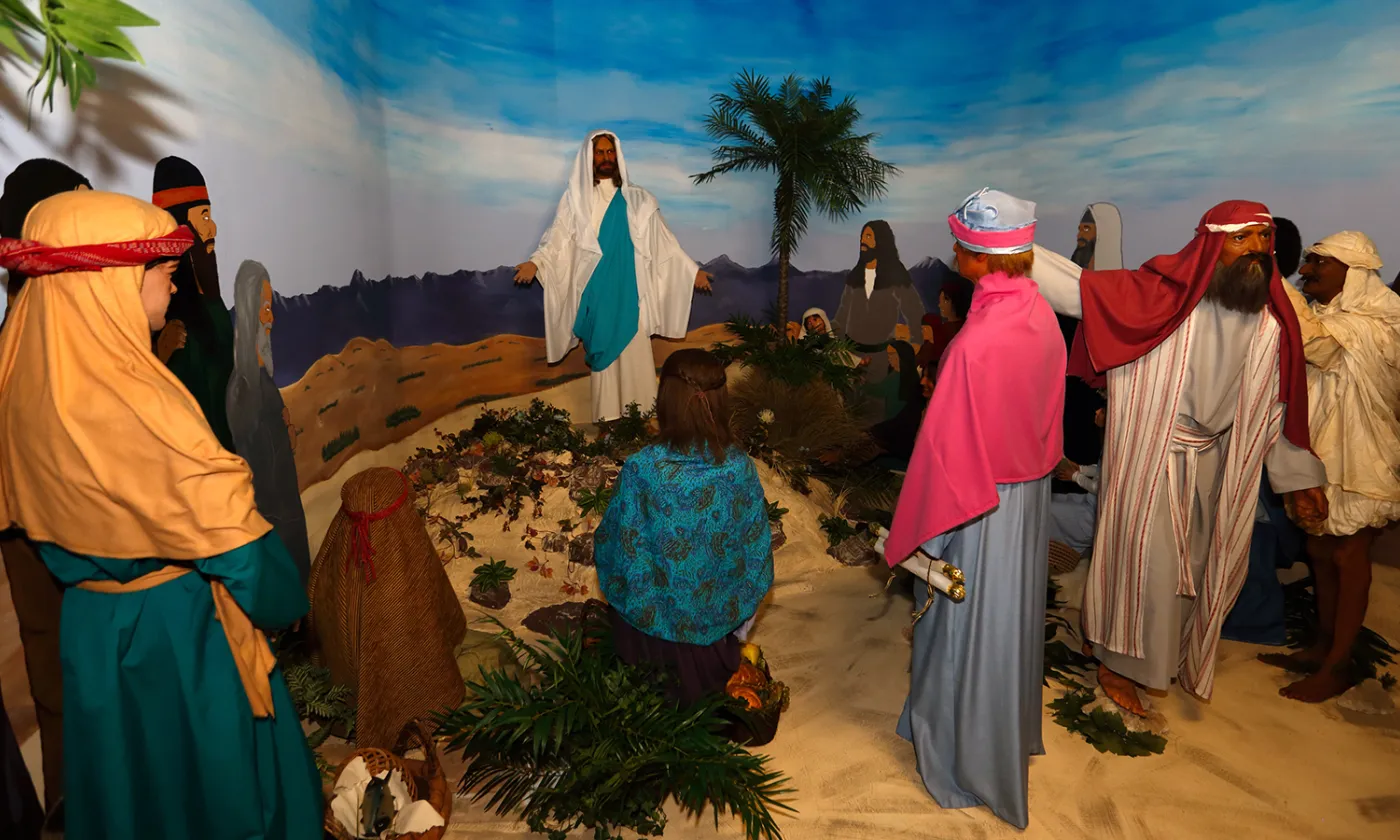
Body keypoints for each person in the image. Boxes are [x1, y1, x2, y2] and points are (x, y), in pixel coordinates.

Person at [0, 190, 321, 840]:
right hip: (180, 639)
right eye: (166, 273)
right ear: (110, 280)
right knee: (214, 795)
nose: (174, 290)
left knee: (129, 792)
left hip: (93, 636)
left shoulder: (25, 383)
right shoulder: (137, 406)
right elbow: (240, 552)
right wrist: (287, 598)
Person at [1028, 201, 1329, 716]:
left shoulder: (1271, 327)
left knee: (1193, 567)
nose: (1256, 250)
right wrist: (1010, 250)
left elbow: (1276, 411)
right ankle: (1119, 664)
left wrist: (1301, 479)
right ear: (1212, 245)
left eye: (1263, 239)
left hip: (1214, 462)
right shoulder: (1164, 300)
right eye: (1241, 239)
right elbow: (1081, 290)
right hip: (1152, 455)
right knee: (1146, 564)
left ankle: (1141, 653)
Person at [884, 188, 1065, 830]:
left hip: (979, 506)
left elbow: (945, 454)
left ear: (980, 258)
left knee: (966, 625)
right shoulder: (1040, 314)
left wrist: (922, 536)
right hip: (1027, 499)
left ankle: (968, 763)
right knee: (1009, 621)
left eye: (961, 243)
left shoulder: (974, 343)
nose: (954, 252)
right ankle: (1002, 737)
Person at [1258, 231, 1400, 702]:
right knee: (1319, 550)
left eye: (1320, 263)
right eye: (1307, 262)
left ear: (1352, 273)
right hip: (1324, 450)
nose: (1307, 271)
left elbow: (1317, 346)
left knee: (1348, 554)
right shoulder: (1329, 317)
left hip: (1363, 456)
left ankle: (1340, 664)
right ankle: (1322, 647)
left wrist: (1272, 276)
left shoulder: (1376, 324)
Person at [594, 349, 773, 707]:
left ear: (666, 399)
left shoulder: (643, 468)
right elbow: (756, 551)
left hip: (650, 644)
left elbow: (616, 547)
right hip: (717, 641)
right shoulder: (739, 468)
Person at [0, 158, 93, 828]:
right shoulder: (37, 343)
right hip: (56, 551)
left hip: (49, 547)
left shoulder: (31, 333)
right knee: (72, 689)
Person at [514, 131, 712, 423]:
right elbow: (557, 239)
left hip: (631, 291)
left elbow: (664, 242)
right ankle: (607, 422)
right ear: (589, 157)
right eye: (600, 153)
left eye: (610, 152)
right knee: (604, 353)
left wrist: (691, 270)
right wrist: (536, 262)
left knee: (635, 355)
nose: (606, 158)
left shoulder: (638, 199)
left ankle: (642, 419)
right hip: (597, 292)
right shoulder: (576, 200)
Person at [227, 260, 312, 585]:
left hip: (286, 520)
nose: (271, 318)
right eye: (265, 309)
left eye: (271, 308)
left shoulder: (259, 380)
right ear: (250, 310)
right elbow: (257, 471)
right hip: (276, 529)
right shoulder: (244, 388)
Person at [152, 156, 237, 451]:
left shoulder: (213, 303)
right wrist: (159, 355)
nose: (212, 229)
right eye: (203, 217)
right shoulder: (162, 316)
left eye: (209, 216)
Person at [833, 220, 926, 383]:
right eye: (862, 236)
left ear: (881, 240)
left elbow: (914, 310)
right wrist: (838, 348)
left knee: (877, 397)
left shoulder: (895, 274)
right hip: (852, 357)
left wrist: (917, 341)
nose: (863, 241)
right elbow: (842, 313)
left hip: (880, 359)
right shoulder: (854, 276)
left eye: (868, 236)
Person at [915, 274, 974, 380]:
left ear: (955, 301)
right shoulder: (966, 328)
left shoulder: (943, 331)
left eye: (945, 300)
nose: (940, 305)